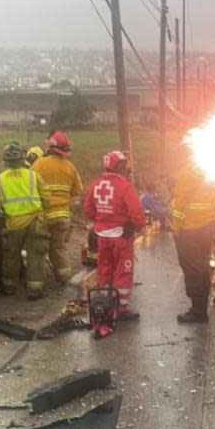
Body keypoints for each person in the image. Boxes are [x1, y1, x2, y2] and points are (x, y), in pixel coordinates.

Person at [83, 150, 146, 321]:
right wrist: (139, 226)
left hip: (102, 236)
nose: (125, 168)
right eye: (123, 165)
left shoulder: (95, 184)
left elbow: (88, 209)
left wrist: (101, 221)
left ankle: (105, 302)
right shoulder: (125, 186)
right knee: (123, 271)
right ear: (119, 167)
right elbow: (136, 211)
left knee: (104, 268)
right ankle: (122, 308)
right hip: (121, 237)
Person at [0, 142, 48, 300]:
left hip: (13, 224)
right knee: (36, 255)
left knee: (10, 255)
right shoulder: (33, 175)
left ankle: (9, 287)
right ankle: (35, 290)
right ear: (22, 159)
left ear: (5, 161)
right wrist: (41, 209)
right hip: (35, 221)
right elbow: (47, 196)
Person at [171, 153, 215, 323]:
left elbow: (180, 204)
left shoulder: (186, 173)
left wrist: (176, 227)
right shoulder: (211, 172)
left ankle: (198, 311)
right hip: (207, 227)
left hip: (189, 230)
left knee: (192, 269)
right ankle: (201, 308)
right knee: (203, 267)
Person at [30, 131, 84, 285]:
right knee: (58, 248)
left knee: (37, 251)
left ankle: (36, 286)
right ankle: (64, 278)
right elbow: (78, 191)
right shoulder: (70, 167)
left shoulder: (39, 164)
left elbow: (30, 187)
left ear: (50, 147)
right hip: (63, 216)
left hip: (44, 216)